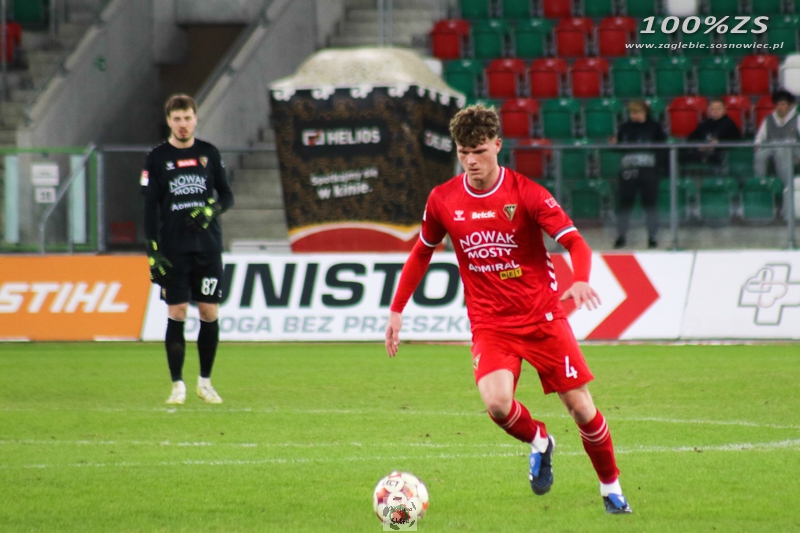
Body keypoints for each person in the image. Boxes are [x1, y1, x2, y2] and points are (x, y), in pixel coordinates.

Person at [384, 104, 632, 514]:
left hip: (542, 318)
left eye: (479, 151)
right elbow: (422, 252)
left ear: (497, 145)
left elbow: (575, 242)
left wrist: (581, 278)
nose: (471, 161)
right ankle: (540, 441)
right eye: (463, 152)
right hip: (491, 324)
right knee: (497, 404)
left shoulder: (527, 193)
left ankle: (611, 488)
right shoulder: (443, 199)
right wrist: (397, 309)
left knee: (581, 408)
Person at [141, 94, 234, 404]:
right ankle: (177, 385)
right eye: (177, 119)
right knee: (177, 312)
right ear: (169, 121)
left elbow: (227, 196)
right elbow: (150, 207)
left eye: (188, 118)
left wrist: (211, 210)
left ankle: (205, 382)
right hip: (173, 249)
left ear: (195, 119)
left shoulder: (209, 153)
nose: (183, 124)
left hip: (208, 247)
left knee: (209, 311)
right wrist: (153, 249)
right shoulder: (157, 158)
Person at [610, 99, 667, 250]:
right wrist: (614, 145)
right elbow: (620, 146)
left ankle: (652, 237)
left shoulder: (655, 127)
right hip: (628, 171)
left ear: (645, 112)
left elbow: (663, 147)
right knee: (625, 203)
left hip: (649, 171)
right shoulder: (625, 127)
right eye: (632, 113)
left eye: (637, 112)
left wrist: (659, 168)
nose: (634, 115)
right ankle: (621, 236)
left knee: (649, 204)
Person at [682, 98, 741, 165]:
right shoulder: (705, 124)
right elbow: (691, 138)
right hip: (701, 151)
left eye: (718, 109)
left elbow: (734, 141)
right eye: (712, 109)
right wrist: (699, 146)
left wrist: (717, 144)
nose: (715, 111)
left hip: (719, 154)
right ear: (709, 110)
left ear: (724, 110)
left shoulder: (729, 124)